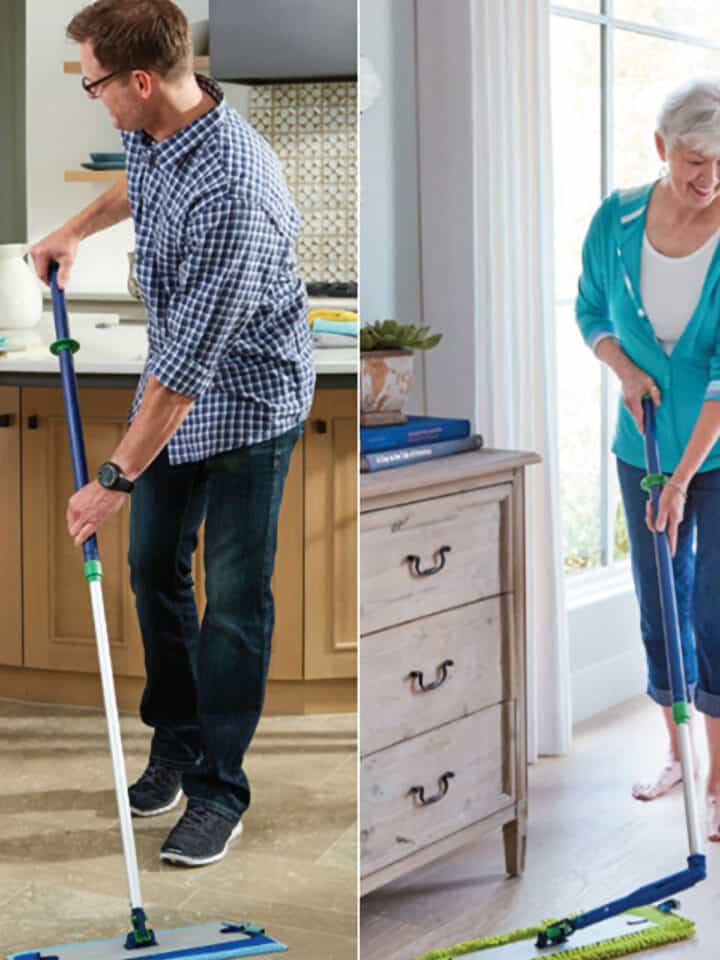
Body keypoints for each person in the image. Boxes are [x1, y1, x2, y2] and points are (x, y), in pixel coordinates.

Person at [30, 0, 315, 867]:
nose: (94, 100)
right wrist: (73, 230)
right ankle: (179, 746)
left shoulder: (236, 189)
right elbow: (141, 185)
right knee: (153, 568)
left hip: (248, 407)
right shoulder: (157, 129)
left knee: (234, 603)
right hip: (177, 390)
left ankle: (219, 790)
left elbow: (188, 373)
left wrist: (111, 481)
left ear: (141, 80)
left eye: (95, 86)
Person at [576, 78, 720, 842]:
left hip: (713, 454)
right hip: (643, 448)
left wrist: (685, 477)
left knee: (714, 608)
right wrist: (624, 370)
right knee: (660, 600)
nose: (710, 179)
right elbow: (591, 310)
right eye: (696, 161)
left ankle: (719, 779)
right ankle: (677, 754)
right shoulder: (619, 219)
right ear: (663, 147)